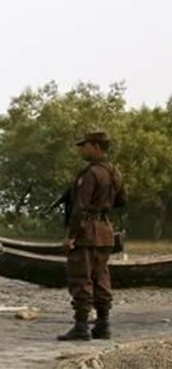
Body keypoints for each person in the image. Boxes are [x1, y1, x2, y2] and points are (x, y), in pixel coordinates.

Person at [57, 130, 127, 341]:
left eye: (85, 145)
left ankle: (81, 326)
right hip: (105, 232)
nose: (82, 149)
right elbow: (122, 201)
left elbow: (80, 207)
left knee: (80, 277)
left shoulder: (90, 174)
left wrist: (71, 236)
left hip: (87, 233)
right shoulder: (114, 172)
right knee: (101, 277)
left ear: (96, 146)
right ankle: (103, 325)